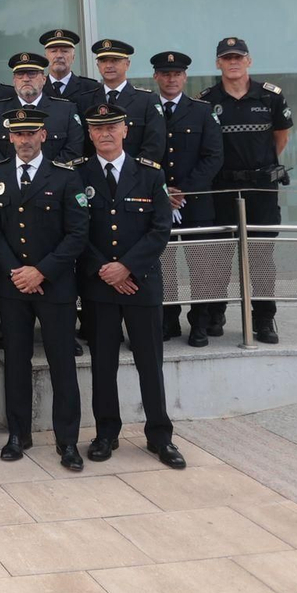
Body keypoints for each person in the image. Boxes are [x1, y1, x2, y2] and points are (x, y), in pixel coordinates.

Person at [78, 103, 186, 469]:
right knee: (103, 364)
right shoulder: (78, 174)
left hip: (141, 284)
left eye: (112, 127)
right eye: (97, 128)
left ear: (125, 130)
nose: (105, 133)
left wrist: (127, 269)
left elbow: (160, 229)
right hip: (98, 286)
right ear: (89, 133)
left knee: (149, 363)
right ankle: (106, 433)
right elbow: (75, 230)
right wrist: (105, 270)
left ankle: (160, 436)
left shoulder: (150, 174)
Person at [0, 107, 88, 470]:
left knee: (62, 364)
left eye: (31, 133)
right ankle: (18, 433)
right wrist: (17, 271)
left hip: (55, 285)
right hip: (13, 286)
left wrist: (40, 272)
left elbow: (78, 233)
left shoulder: (65, 176)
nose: (24, 140)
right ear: (9, 137)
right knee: (16, 361)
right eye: (18, 133)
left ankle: (68, 441)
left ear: (43, 135)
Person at [197, 36, 292, 344]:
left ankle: (264, 320)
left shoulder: (270, 97)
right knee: (218, 257)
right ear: (218, 63)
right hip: (222, 188)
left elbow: (281, 138)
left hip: (261, 189)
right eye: (227, 58)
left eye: (239, 57)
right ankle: (215, 313)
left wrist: (259, 169)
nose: (233, 62)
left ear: (249, 61)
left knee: (261, 258)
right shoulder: (207, 100)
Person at [150, 51, 225, 346]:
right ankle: (168, 321)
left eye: (177, 74)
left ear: (185, 77)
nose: (171, 79)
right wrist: (161, 191)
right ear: (156, 76)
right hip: (158, 203)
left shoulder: (203, 111)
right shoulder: (146, 107)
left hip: (195, 203)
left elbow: (213, 156)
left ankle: (200, 324)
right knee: (163, 266)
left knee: (201, 269)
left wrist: (183, 190)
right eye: (165, 74)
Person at [0, 52, 84, 164]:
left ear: (44, 79)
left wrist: (48, 173)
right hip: (9, 178)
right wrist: (13, 172)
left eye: (32, 74)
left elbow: (74, 148)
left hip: (54, 179)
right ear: (14, 80)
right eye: (20, 74)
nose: (26, 79)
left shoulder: (65, 110)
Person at [78, 39, 166, 161]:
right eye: (103, 61)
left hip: (136, 175)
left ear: (127, 64)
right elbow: (81, 144)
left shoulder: (147, 100)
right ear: (98, 65)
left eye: (115, 60)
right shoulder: (85, 100)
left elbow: (155, 145)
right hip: (95, 175)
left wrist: (133, 172)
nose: (109, 66)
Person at [40, 29, 102, 102]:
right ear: (46, 57)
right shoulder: (37, 88)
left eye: (65, 51)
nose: (59, 55)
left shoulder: (92, 88)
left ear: (73, 57)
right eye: (54, 51)